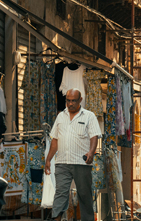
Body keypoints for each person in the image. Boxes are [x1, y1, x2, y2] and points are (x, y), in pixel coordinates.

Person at [44, 88, 101, 221]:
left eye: (73, 101)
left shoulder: (89, 116)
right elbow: (55, 140)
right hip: (62, 162)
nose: (70, 104)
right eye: (68, 101)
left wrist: (91, 152)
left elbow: (94, 136)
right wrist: (48, 159)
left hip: (81, 162)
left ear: (80, 100)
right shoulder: (60, 116)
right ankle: (56, 219)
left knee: (84, 194)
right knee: (60, 193)